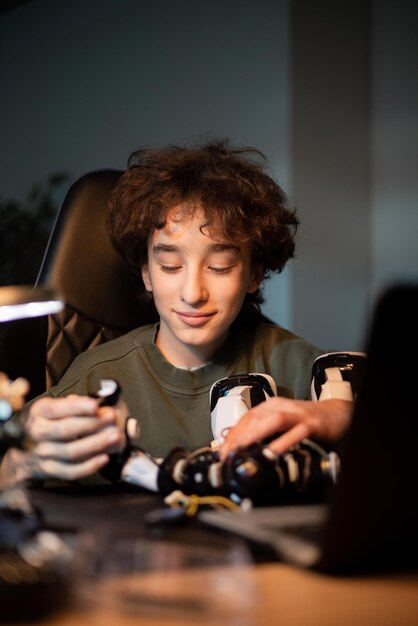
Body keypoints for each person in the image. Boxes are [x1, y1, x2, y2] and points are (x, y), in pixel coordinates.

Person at [0, 140, 353, 487]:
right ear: (146, 273)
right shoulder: (94, 382)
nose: (192, 294)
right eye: (169, 266)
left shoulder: (294, 365)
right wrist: (20, 463)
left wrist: (345, 419)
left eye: (220, 266)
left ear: (254, 274)